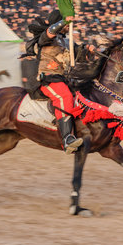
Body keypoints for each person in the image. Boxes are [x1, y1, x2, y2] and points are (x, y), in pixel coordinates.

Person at [35, 10, 83, 154]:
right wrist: (64, 21)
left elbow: (79, 52)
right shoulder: (46, 37)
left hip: (64, 78)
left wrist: (89, 49)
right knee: (65, 96)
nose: (68, 27)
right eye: (65, 25)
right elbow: (50, 32)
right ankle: (67, 138)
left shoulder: (65, 40)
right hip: (48, 78)